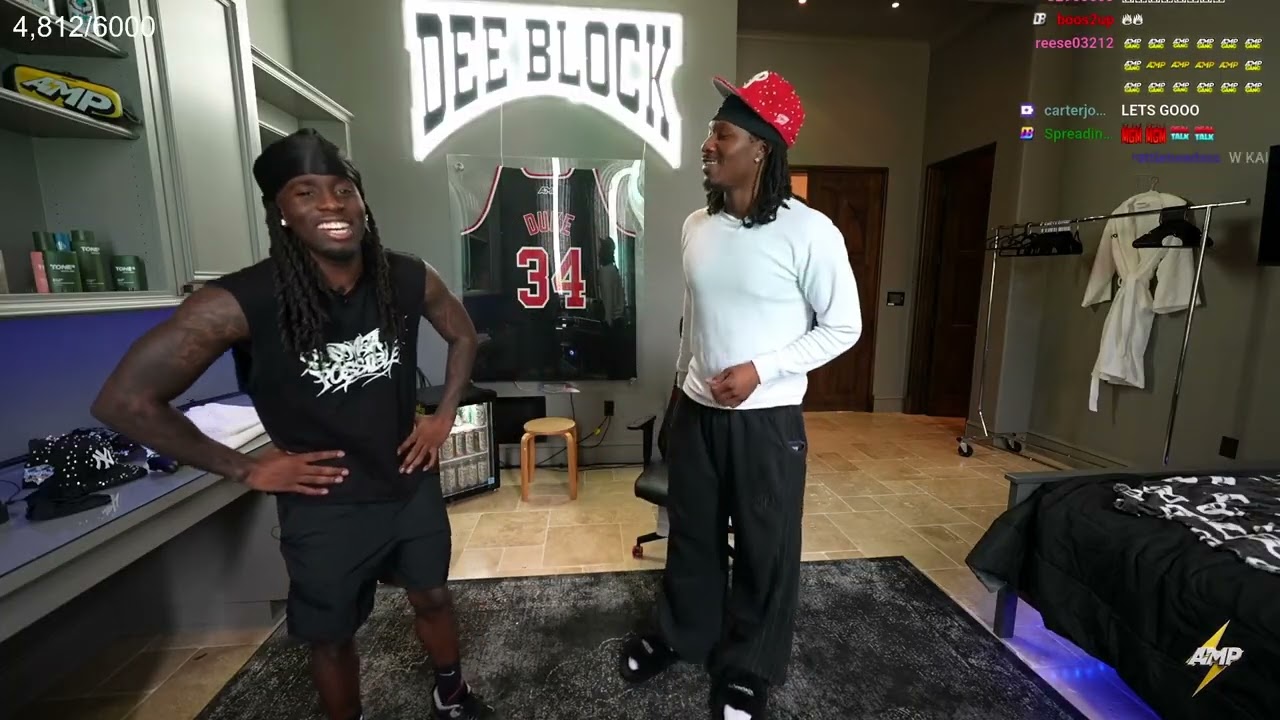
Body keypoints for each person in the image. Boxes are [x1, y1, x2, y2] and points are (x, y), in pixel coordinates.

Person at [90, 129, 496, 720]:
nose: (331, 203)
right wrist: (246, 469)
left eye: (343, 190)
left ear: (361, 202)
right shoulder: (239, 301)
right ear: (280, 211)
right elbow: (124, 401)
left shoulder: (407, 277)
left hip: (407, 482)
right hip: (324, 501)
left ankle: (451, 693)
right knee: (331, 636)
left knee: (433, 595)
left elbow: (462, 334)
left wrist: (443, 416)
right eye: (306, 192)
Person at [617, 71, 863, 719]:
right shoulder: (697, 226)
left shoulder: (811, 232)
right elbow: (693, 321)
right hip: (697, 414)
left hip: (767, 422)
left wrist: (764, 369)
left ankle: (749, 665)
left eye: (721, 134)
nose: (707, 144)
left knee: (764, 546)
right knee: (692, 535)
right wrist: (679, 393)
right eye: (710, 132)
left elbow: (844, 327)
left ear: (760, 147)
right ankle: (683, 635)